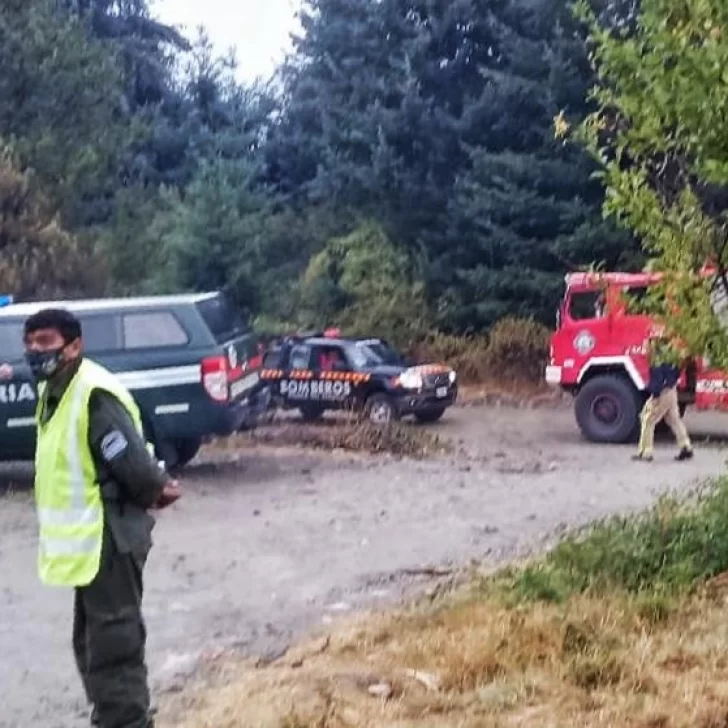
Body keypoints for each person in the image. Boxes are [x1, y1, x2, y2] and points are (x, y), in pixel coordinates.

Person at [24, 308, 181, 728]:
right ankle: (111, 716)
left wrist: (156, 488)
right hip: (90, 541)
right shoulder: (55, 390)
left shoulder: (92, 394)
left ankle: (126, 721)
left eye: (45, 342)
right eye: (30, 342)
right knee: (92, 642)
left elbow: (131, 462)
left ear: (74, 346)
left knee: (114, 642)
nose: (35, 351)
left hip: (110, 535)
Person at [632, 336, 694, 462]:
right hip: (672, 391)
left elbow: (657, 381)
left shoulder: (657, 361)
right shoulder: (671, 358)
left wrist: (655, 397)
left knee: (647, 419)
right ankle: (686, 446)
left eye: (647, 345)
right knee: (673, 420)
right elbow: (677, 372)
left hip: (662, 393)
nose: (645, 347)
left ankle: (646, 452)